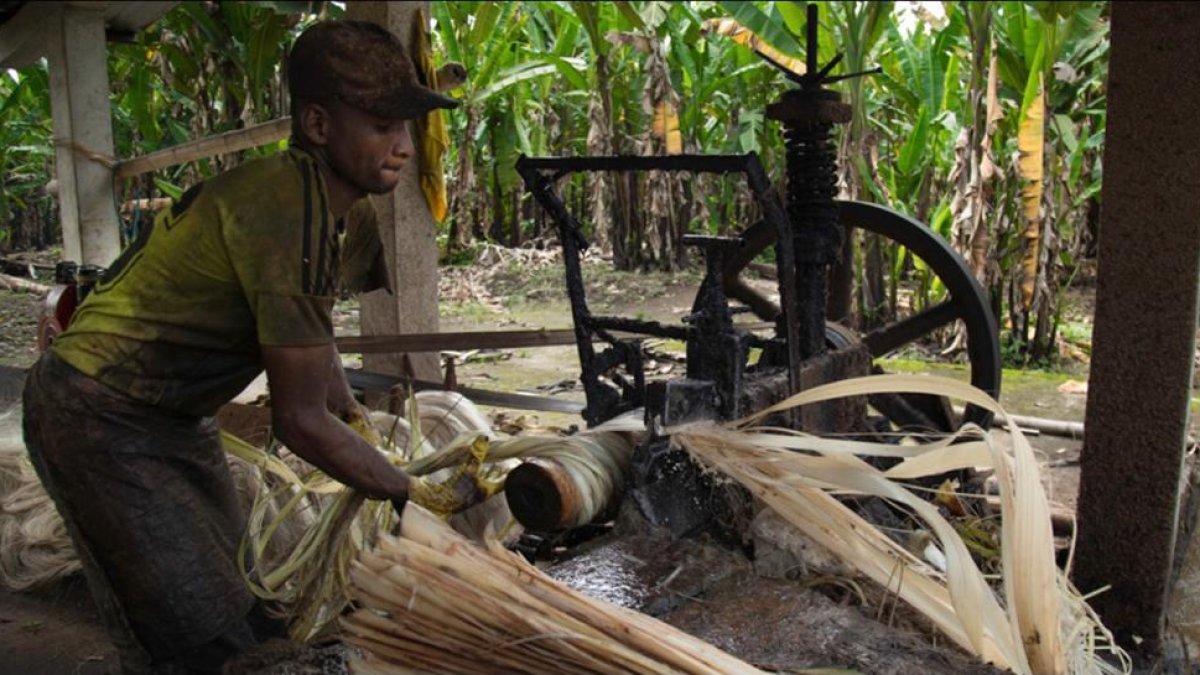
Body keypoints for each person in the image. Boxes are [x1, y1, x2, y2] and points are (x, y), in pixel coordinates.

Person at [22, 20, 459, 674]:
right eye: (379, 126)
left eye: (406, 127)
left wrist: (351, 413)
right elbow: (298, 420)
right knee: (198, 635)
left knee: (247, 606)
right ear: (317, 125)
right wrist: (410, 492)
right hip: (96, 412)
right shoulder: (286, 209)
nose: (401, 147)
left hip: (174, 417)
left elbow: (317, 335)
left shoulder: (348, 210)